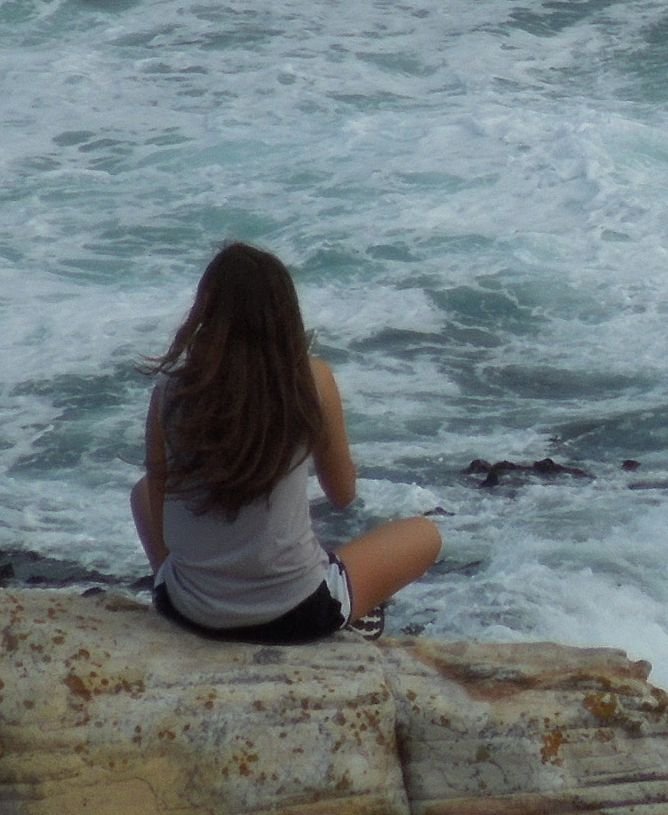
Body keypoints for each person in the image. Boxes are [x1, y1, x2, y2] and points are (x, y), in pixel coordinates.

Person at [130, 242, 441, 643]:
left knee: (143, 491)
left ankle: (180, 588)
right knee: (425, 534)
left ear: (206, 312)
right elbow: (343, 493)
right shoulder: (310, 381)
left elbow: (159, 492)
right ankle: (354, 613)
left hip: (188, 611)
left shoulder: (171, 390)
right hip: (297, 615)